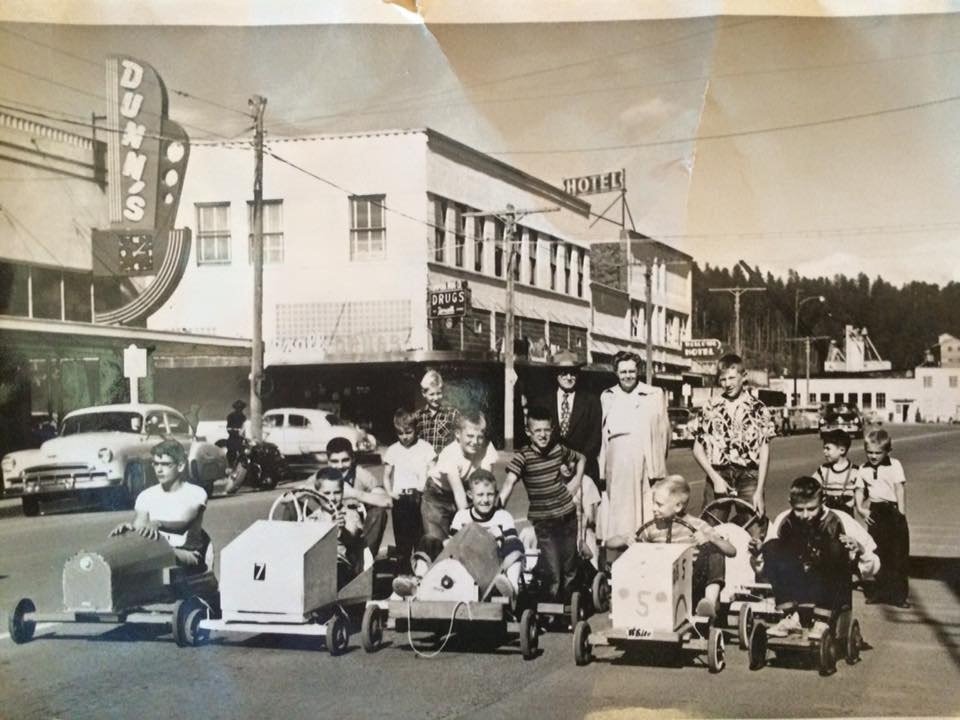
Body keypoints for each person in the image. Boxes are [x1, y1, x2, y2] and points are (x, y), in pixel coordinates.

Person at [607, 475, 736, 619]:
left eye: (659, 504)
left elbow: (731, 551)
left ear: (678, 506)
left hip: (691, 583)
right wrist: (625, 539)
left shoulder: (697, 525)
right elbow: (609, 544)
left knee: (715, 553)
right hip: (659, 581)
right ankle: (625, 599)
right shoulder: (652, 527)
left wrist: (711, 539)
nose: (654, 508)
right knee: (631, 553)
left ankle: (709, 603)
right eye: (653, 503)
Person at [754, 476, 865, 638]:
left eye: (812, 509)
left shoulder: (840, 519)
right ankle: (791, 617)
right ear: (790, 503)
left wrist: (858, 549)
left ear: (823, 501)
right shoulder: (784, 520)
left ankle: (822, 620)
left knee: (834, 545)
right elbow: (767, 566)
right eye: (799, 509)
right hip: (799, 580)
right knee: (771, 545)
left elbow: (873, 562)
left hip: (832, 582)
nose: (806, 515)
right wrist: (759, 552)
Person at [500, 405, 585, 604]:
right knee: (553, 570)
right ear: (529, 432)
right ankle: (551, 610)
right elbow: (509, 482)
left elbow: (581, 458)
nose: (543, 435)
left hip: (568, 516)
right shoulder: (523, 457)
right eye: (538, 431)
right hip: (544, 523)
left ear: (552, 430)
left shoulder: (558, 449)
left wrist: (577, 480)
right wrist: (498, 507)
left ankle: (569, 608)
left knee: (570, 568)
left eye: (547, 430)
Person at [691, 353, 774, 538]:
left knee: (754, 532)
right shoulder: (710, 407)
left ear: (743, 377)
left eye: (731, 378)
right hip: (718, 475)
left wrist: (759, 491)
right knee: (709, 532)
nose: (727, 384)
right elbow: (697, 449)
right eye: (723, 379)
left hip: (749, 476)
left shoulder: (758, 408)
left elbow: (764, 451)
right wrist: (715, 478)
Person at [599, 350, 670, 541]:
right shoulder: (607, 396)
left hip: (645, 463)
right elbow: (603, 436)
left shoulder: (654, 394)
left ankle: (646, 555)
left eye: (631, 371)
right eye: (623, 372)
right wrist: (602, 471)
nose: (628, 376)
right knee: (620, 515)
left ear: (638, 371)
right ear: (616, 373)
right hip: (617, 464)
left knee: (647, 512)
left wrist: (658, 465)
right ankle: (619, 556)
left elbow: (664, 432)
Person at [109, 438, 209, 569]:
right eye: (155, 464)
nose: (159, 470)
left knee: (151, 557)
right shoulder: (146, 495)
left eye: (165, 464)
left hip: (188, 553)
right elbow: (141, 525)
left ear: (180, 466)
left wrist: (158, 523)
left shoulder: (196, 493)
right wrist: (129, 529)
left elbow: (183, 521)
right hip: (155, 550)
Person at [420, 409, 498, 551]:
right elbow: (459, 495)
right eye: (470, 436)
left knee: (470, 541)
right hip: (438, 496)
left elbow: (484, 487)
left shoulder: (487, 448)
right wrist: (469, 521)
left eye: (479, 437)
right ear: (457, 435)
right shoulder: (450, 454)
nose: (475, 442)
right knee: (437, 543)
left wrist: (486, 521)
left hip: (465, 489)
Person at [854, 428, 910, 608]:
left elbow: (899, 488)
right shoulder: (863, 469)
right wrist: (861, 509)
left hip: (892, 511)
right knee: (878, 553)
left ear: (887, 451)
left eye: (878, 452)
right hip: (875, 512)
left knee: (898, 555)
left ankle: (899, 596)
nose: (873, 456)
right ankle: (879, 592)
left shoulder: (895, 465)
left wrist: (901, 513)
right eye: (869, 452)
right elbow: (859, 490)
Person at [382, 408, 436, 573]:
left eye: (408, 432)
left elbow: (432, 472)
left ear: (416, 429)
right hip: (401, 499)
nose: (404, 437)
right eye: (400, 433)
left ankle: (421, 571)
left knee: (420, 537)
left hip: (419, 498)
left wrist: (424, 489)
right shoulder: (393, 450)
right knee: (402, 540)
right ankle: (403, 573)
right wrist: (390, 493)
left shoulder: (425, 448)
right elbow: (386, 475)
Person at [540, 350, 602, 489]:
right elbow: (540, 437)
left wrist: (576, 461)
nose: (569, 377)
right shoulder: (543, 401)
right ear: (556, 374)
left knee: (584, 510)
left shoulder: (591, 401)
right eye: (564, 373)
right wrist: (558, 462)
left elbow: (595, 438)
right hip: (552, 472)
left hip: (585, 472)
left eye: (573, 373)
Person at [326, 437, 392, 557]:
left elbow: (387, 501)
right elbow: (290, 497)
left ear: (353, 458)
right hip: (328, 534)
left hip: (355, 535)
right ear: (328, 462)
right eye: (335, 461)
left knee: (379, 513)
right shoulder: (322, 476)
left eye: (345, 460)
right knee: (291, 507)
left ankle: (365, 562)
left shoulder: (360, 474)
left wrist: (354, 493)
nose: (340, 466)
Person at [308, 467, 367, 589]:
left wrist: (341, 530)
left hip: (342, 565)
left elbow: (351, 540)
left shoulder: (350, 514)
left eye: (337, 492)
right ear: (317, 493)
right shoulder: (312, 518)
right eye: (327, 493)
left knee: (334, 569)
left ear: (343, 492)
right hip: (316, 564)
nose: (332, 498)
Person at [414, 369, 461, 454]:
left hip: (446, 462)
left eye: (439, 393)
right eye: (431, 394)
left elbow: (459, 442)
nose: (436, 398)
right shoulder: (418, 416)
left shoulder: (453, 414)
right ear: (423, 393)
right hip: (425, 463)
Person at [815, 429, 858, 514]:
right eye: (824, 448)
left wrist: (851, 503)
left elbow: (862, 492)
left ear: (842, 450)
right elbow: (812, 486)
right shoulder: (823, 470)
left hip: (846, 515)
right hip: (826, 514)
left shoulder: (855, 471)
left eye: (828, 448)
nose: (824, 451)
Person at [225, 399, 247, 468]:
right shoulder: (230, 416)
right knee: (231, 455)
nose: (240, 409)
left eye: (241, 408)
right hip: (232, 438)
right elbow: (228, 428)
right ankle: (230, 467)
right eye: (238, 408)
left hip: (240, 439)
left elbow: (243, 428)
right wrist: (237, 432)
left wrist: (243, 436)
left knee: (242, 455)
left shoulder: (243, 417)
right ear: (235, 408)